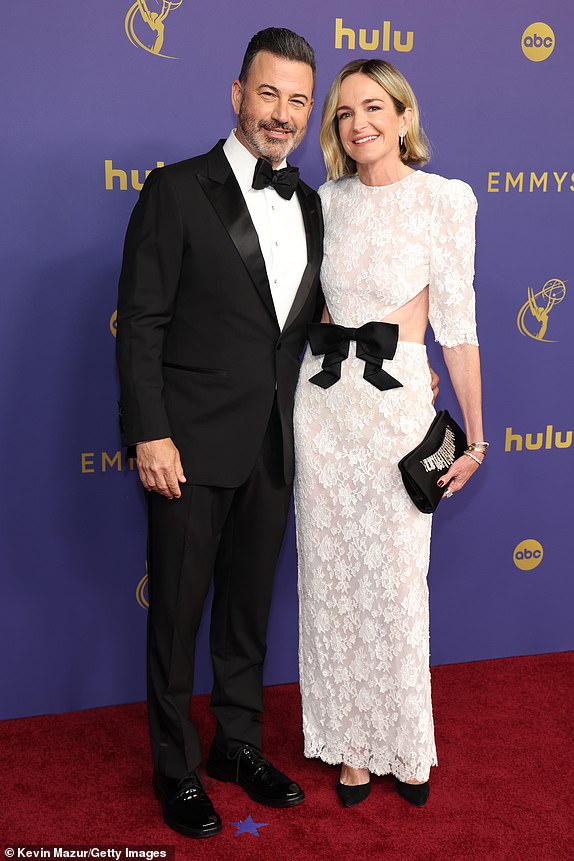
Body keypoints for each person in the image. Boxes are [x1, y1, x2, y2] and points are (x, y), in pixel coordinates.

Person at [116, 28, 323, 839]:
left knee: (247, 612)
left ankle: (236, 744)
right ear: (236, 93)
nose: (282, 114)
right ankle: (175, 766)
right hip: (189, 445)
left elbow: (301, 326)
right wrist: (150, 434)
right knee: (175, 614)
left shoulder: (307, 202)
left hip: (275, 442)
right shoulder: (175, 190)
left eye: (299, 100)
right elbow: (141, 324)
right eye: (268, 93)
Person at [293, 58, 487, 809]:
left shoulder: (445, 200)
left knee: (398, 585)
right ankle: (348, 746)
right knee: (331, 584)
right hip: (324, 410)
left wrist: (477, 438)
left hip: (397, 407)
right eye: (343, 113)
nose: (358, 123)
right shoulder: (325, 203)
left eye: (373, 107)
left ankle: (405, 742)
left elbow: (460, 327)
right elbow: (303, 309)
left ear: (404, 116)